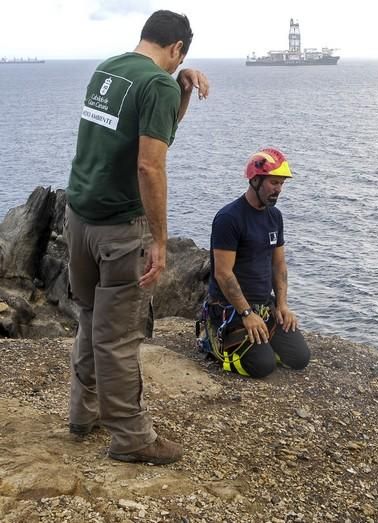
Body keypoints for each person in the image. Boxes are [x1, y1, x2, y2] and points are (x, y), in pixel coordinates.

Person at [64, 10, 209, 465]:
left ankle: (81, 414)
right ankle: (130, 437)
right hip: (119, 231)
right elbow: (151, 164)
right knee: (120, 337)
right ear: (177, 50)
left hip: (79, 219)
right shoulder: (157, 83)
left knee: (91, 319)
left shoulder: (108, 68)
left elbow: (155, 133)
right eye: (179, 62)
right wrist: (161, 241)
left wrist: (180, 92)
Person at [202, 147, 310, 378]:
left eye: (281, 184)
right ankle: (213, 342)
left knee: (299, 358)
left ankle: (263, 341)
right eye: (273, 183)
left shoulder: (275, 216)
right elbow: (223, 273)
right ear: (255, 180)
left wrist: (282, 305)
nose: (278, 190)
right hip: (231, 308)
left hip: (264, 305)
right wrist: (246, 313)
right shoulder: (229, 218)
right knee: (263, 366)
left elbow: (278, 265)